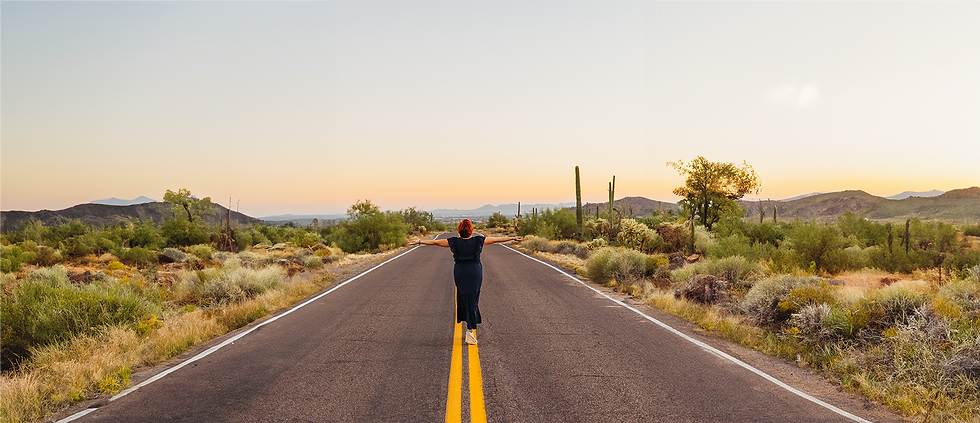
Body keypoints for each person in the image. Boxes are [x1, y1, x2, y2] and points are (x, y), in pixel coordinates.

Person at [410, 219, 522, 345]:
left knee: (463, 297)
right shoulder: (478, 240)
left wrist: (419, 241)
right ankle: (470, 330)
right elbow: (496, 239)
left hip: (460, 272)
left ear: (459, 230)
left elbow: (435, 242)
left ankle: (469, 327)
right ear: (471, 230)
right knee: (473, 298)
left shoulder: (453, 242)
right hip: (474, 272)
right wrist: (513, 238)